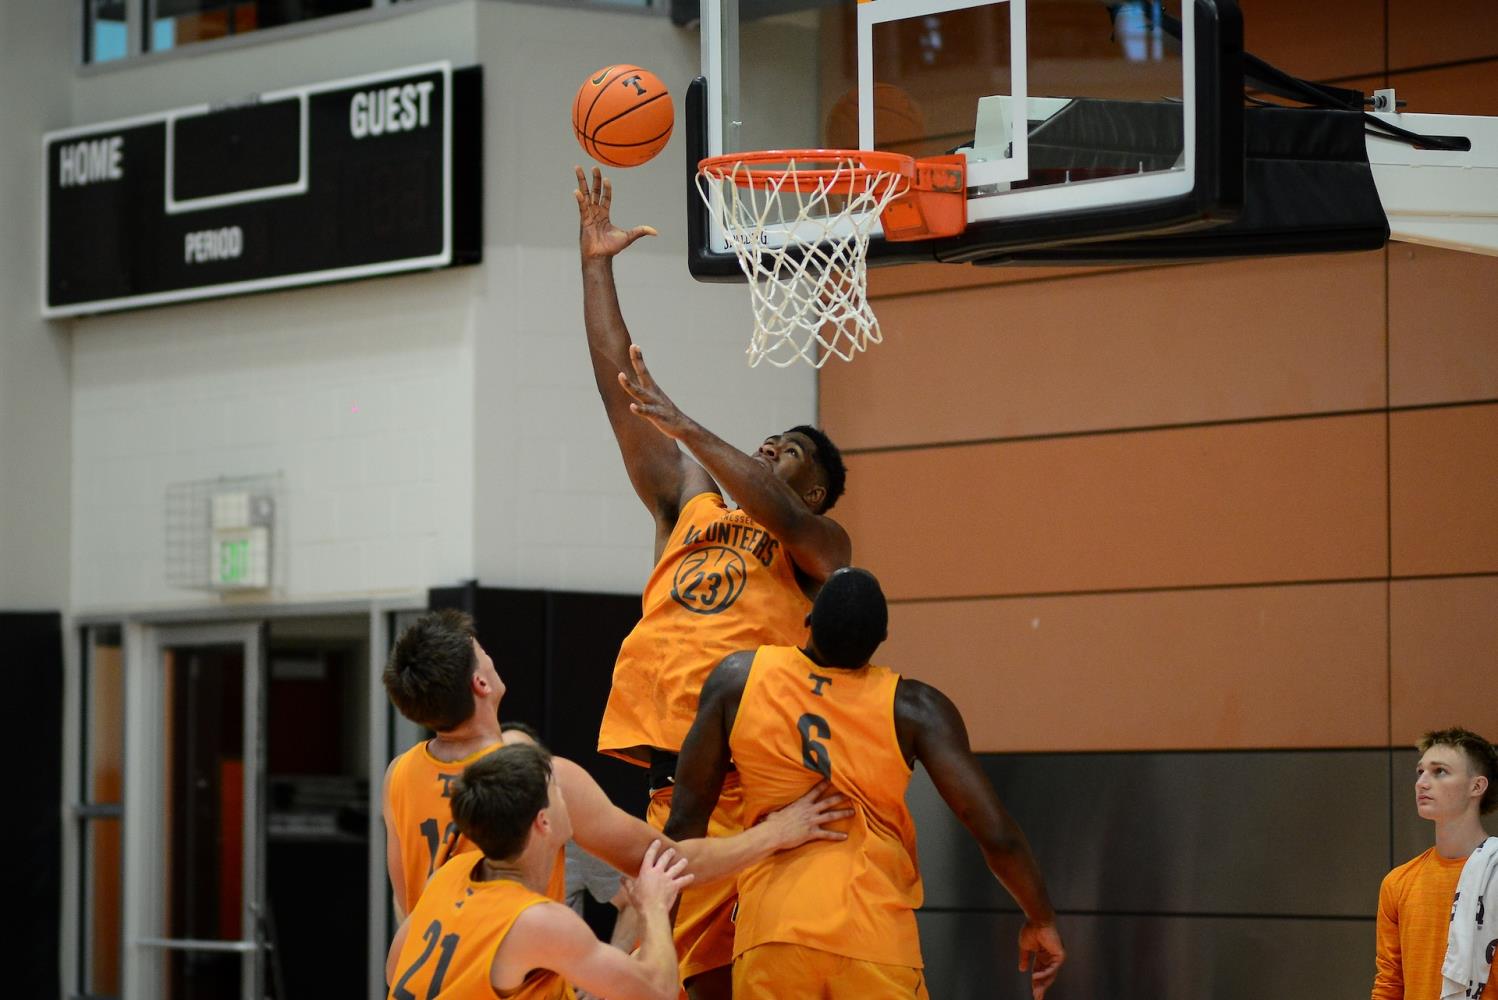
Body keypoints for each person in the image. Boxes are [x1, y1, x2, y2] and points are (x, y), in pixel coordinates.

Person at [575, 165, 853, 998]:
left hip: (761, 795)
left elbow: (773, 504)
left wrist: (686, 418)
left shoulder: (821, 543)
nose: (770, 448)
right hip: (677, 789)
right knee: (649, 980)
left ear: (812, 489)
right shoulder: (691, 505)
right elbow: (622, 396)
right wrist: (596, 266)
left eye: (790, 450)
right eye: (768, 438)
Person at [665, 567, 1067, 1000]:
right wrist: (1040, 918)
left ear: (809, 619)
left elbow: (685, 819)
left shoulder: (738, 680)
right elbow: (996, 834)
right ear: (882, 637)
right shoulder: (915, 708)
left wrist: (658, 936)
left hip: (774, 933)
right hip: (874, 935)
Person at [380, 609, 850, 922]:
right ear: (480, 683)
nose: (491, 655)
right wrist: (779, 831)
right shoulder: (544, 777)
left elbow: (407, 909)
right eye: (483, 652)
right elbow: (670, 862)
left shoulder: (397, 776)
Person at [386, 743, 689, 1000]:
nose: (568, 796)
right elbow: (657, 991)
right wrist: (654, 907)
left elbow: (393, 967)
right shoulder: (536, 921)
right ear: (543, 822)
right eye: (557, 790)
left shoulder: (451, 873)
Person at [1372, 727, 1498, 1000]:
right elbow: (1389, 983)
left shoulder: (1495, 872)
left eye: (1439, 771)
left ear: (1477, 786)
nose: (1422, 782)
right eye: (1421, 772)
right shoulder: (1399, 882)